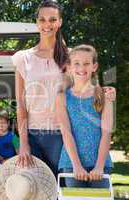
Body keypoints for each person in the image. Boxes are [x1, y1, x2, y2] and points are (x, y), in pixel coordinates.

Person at [12, 0, 115, 177]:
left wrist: (106, 91)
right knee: (34, 190)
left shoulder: (71, 56)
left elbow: (86, 87)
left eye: (52, 20)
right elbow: (21, 105)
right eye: (42, 20)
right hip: (32, 134)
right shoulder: (23, 58)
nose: (47, 25)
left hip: (63, 135)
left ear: (59, 22)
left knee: (59, 191)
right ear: (37, 23)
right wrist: (23, 143)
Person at [56, 44, 113, 187]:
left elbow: (106, 133)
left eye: (86, 63)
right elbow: (66, 132)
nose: (81, 68)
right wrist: (77, 165)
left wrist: (99, 166)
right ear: (69, 67)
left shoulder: (104, 95)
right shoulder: (62, 97)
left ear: (94, 66)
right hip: (71, 164)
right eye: (77, 64)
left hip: (100, 164)